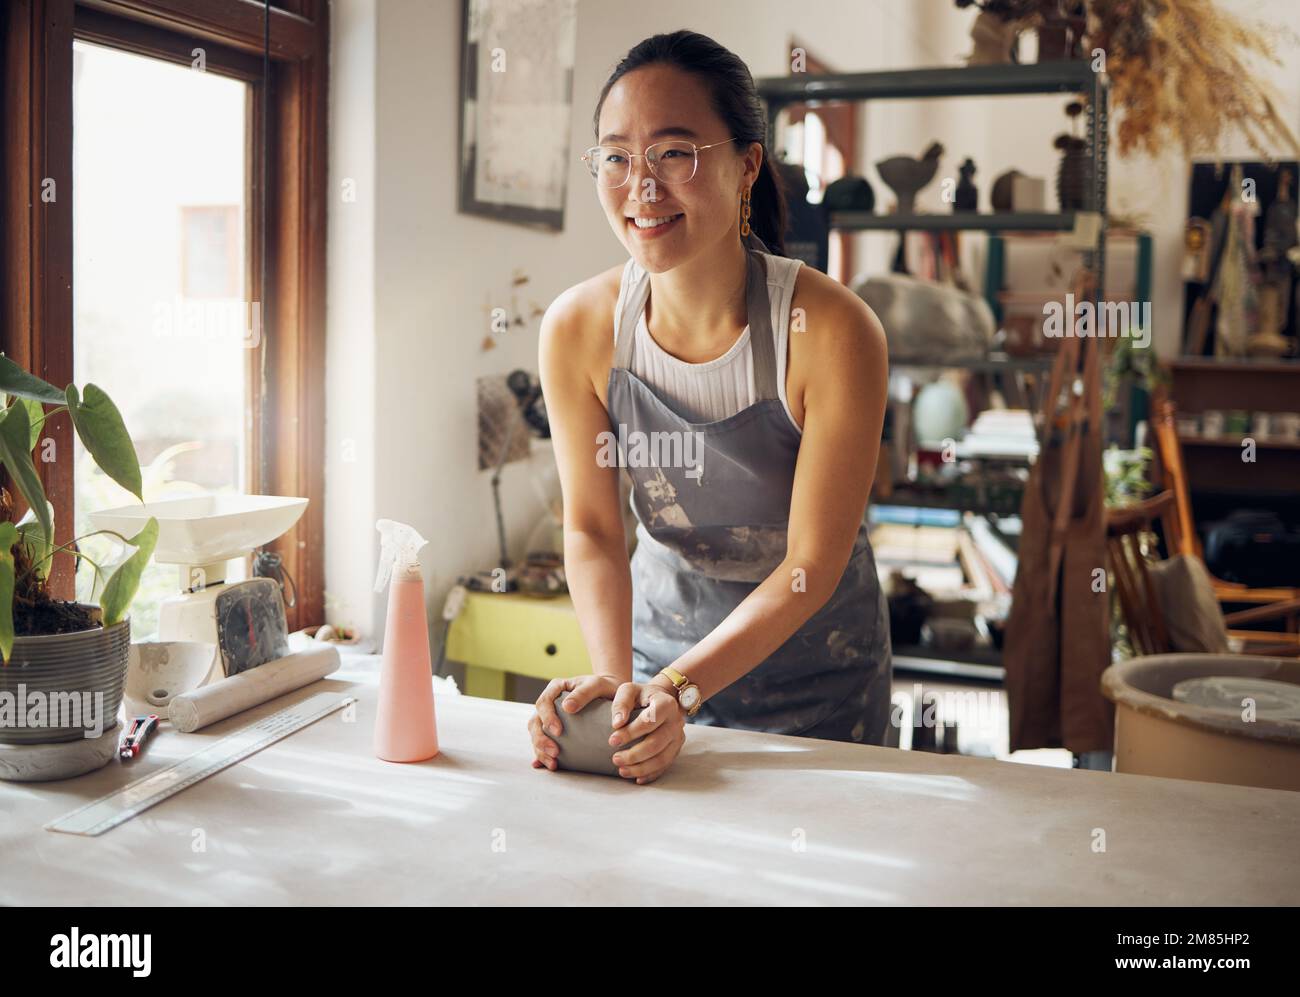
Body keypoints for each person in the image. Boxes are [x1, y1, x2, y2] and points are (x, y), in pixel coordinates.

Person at [529, 29, 892, 784]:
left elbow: (811, 563)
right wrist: (620, 688)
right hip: (662, 656)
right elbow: (594, 529)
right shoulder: (579, 329)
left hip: (821, 682)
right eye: (617, 157)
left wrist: (679, 690)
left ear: (746, 164)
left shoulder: (830, 330)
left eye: (674, 153)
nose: (642, 187)